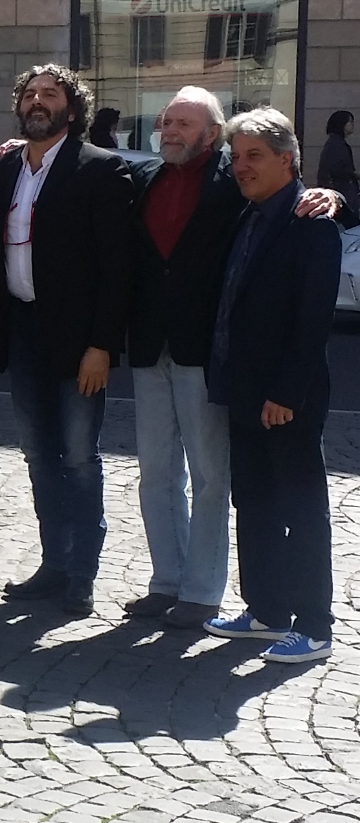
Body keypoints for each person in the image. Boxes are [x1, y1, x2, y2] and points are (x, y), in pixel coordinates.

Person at [123, 87, 343, 631]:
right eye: (167, 121)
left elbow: (311, 314)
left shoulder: (245, 191)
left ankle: (231, 600)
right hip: (175, 356)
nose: (171, 130)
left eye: (185, 123)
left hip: (227, 367)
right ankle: (205, 592)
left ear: (210, 134)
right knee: (186, 482)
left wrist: (331, 194)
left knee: (231, 483)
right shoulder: (150, 179)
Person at [0, 65, 133, 618]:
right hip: (22, 333)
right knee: (40, 456)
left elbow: (118, 268)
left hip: (78, 343)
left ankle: (81, 574)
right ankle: (53, 563)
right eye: (29, 94)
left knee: (80, 457)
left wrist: (102, 346)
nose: (38, 101)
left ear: (72, 107)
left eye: (50, 93)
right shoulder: (4, 169)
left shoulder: (100, 168)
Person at [205, 109, 342, 665]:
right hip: (242, 388)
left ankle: (314, 625)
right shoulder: (249, 213)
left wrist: (286, 393)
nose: (241, 166)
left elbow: (313, 320)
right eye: (236, 157)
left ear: (288, 159)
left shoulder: (312, 222)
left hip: (287, 398)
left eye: (254, 156)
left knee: (301, 508)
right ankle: (266, 611)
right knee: (255, 503)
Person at [317, 111, 358, 213]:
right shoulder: (336, 145)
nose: (353, 125)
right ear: (342, 124)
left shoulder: (335, 143)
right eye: (350, 122)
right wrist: (355, 175)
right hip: (341, 193)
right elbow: (339, 170)